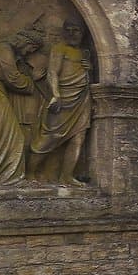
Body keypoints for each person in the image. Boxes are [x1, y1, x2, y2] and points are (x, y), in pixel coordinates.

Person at [29, 18, 92, 185]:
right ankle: (29, 174)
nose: (72, 34)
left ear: (83, 33)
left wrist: (89, 68)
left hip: (82, 100)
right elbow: (52, 73)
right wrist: (56, 95)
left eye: (76, 30)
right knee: (50, 137)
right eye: (69, 30)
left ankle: (66, 176)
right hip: (62, 99)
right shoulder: (59, 49)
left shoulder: (85, 53)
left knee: (78, 138)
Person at [0, 30, 44, 185]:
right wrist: (31, 81)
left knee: (1, 133)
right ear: (24, 41)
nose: (29, 52)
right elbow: (12, 78)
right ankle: (9, 178)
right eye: (31, 48)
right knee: (13, 135)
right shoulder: (3, 48)